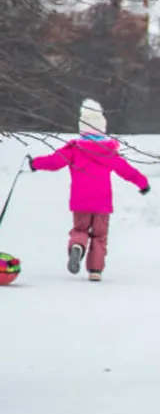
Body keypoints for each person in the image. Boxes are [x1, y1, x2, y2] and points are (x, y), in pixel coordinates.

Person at [27, 98, 150, 281]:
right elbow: (126, 170)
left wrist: (35, 164)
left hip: (80, 200)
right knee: (99, 236)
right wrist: (143, 183)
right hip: (102, 202)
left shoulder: (74, 149)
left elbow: (54, 162)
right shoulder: (108, 152)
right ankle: (95, 271)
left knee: (80, 229)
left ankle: (78, 246)